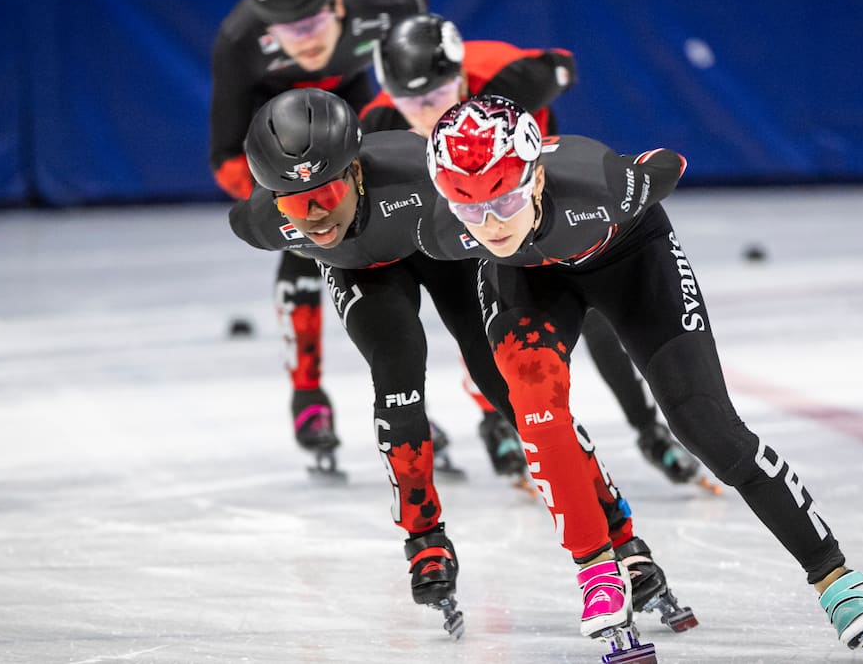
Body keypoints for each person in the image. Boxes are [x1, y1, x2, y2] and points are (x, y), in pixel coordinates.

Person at [419, 95, 863, 659]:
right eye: (470, 208)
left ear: (536, 177)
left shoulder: (603, 185)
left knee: (706, 424)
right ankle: (597, 575)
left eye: (507, 199)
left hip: (631, 260)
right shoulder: (441, 230)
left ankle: (837, 583)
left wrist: (640, 171)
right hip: (529, 285)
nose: (490, 223)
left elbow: (669, 163)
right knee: (537, 411)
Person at [228, 89, 695, 639]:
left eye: (326, 191)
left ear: (355, 171)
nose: (316, 216)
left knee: (516, 395)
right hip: (366, 276)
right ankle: (423, 539)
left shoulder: (418, 179)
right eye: (293, 203)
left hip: (446, 253)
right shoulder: (260, 223)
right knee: (397, 368)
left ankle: (621, 538)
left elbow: (522, 206)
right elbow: (258, 216)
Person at [361, 12, 706, 487]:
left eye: (437, 96)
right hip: (481, 222)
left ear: (460, 77)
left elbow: (562, 65)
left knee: (602, 321)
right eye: (408, 102)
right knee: (480, 311)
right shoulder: (379, 122)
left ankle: (649, 431)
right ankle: (495, 418)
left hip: (541, 206)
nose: (423, 113)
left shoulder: (510, 79)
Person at [210, 0, 427, 477]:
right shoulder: (239, 39)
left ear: (339, 4)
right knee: (303, 245)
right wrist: (292, 210)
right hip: (273, 128)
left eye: (311, 24)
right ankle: (307, 391)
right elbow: (225, 157)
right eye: (286, 31)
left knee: (396, 230)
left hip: (351, 109)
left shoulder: (391, 4)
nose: (302, 42)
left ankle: (416, 382)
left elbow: (418, 81)